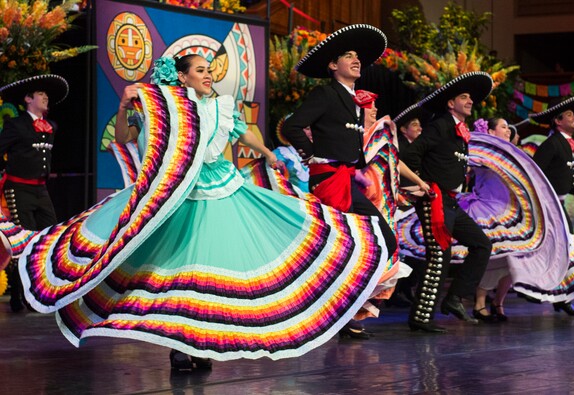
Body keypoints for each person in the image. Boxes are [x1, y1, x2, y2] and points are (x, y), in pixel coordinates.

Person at [8, 54, 391, 371]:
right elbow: (124, 138)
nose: (209, 77)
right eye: (201, 71)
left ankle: (201, 344)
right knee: (178, 274)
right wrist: (126, 110)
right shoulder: (166, 110)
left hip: (222, 190)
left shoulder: (221, 107)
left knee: (210, 272)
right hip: (179, 195)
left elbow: (243, 133)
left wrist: (270, 154)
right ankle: (181, 346)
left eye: (210, 71)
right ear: (183, 77)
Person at [281, 24, 397, 339]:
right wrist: (313, 156)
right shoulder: (326, 93)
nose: (356, 60)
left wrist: (361, 167)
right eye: (348, 56)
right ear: (333, 66)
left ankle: (343, 312)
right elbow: (293, 126)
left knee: (370, 243)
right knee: (350, 246)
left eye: (358, 56)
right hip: (331, 182)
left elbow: (352, 144)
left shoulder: (356, 101)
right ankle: (329, 313)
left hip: (350, 182)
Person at [401, 72, 494, 332]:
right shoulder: (440, 125)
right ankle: (421, 317)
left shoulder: (460, 132)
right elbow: (411, 155)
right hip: (435, 200)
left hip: (452, 202)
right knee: (438, 256)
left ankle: (453, 298)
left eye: (470, 98)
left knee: (481, 244)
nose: (469, 101)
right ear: (450, 103)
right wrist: (422, 185)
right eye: (463, 97)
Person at [0, 74, 68, 313]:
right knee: (22, 242)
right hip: (18, 189)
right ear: (28, 99)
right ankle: (19, 296)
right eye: (41, 94)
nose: (45, 97)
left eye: (46, 95)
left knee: (49, 237)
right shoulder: (16, 125)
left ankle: (44, 292)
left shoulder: (51, 126)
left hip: (40, 190)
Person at [531, 95, 574, 316]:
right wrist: (545, 203)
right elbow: (534, 172)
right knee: (563, 249)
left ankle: (561, 296)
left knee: (565, 249)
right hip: (551, 205)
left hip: (559, 203)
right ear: (558, 121)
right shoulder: (552, 144)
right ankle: (554, 295)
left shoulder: (566, 143)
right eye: (569, 115)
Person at [469, 118, 515, 322]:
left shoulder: (511, 153)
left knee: (515, 258)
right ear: (490, 130)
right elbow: (470, 166)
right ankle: (479, 303)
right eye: (503, 127)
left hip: (508, 210)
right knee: (492, 257)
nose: (508, 130)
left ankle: (498, 301)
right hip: (488, 209)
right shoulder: (482, 152)